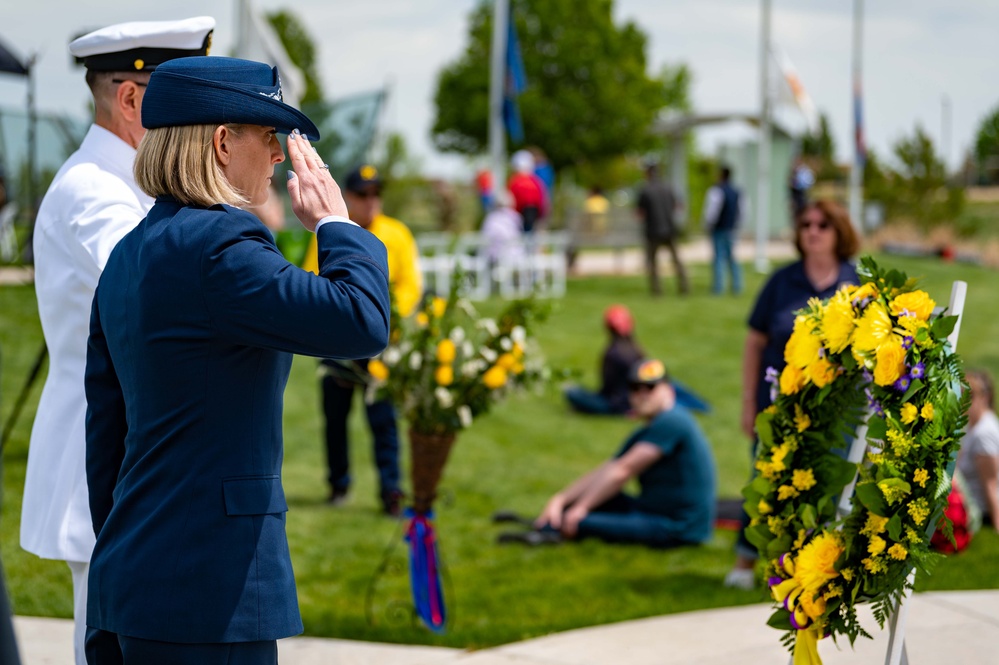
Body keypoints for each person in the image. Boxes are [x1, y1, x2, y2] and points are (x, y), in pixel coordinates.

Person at [83, 56, 390, 664]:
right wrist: (335, 222)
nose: (279, 156)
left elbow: (105, 442)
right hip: (209, 594)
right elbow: (360, 319)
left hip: (132, 579)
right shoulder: (221, 245)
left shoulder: (130, 253)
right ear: (224, 142)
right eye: (268, 137)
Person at [19, 17, 215, 665]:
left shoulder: (126, 185)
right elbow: (159, 295)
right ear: (132, 98)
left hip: (137, 454)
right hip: (110, 457)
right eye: (182, 93)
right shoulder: (93, 192)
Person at [725, 199, 860, 590]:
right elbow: (754, 342)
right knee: (764, 484)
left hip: (835, 412)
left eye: (822, 225)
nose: (813, 231)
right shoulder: (781, 282)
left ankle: (814, 570)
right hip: (779, 406)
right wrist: (749, 401)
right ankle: (743, 564)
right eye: (806, 225)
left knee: (829, 490)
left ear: (839, 233)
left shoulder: (855, 286)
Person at [302, 164, 422, 515]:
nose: (371, 201)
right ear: (349, 197)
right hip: (339, 340)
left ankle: (391, 491)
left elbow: (410, 285)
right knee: (336, 418)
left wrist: (384, 315)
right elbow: (313, 277)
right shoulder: (331, 231)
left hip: (381, 343)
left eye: (376, 193)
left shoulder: (396, 233)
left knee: (384, 420)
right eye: (363, 194)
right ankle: (338, 484)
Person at [499, 359, 716, 548]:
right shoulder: (652, 427)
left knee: (581, 520)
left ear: (668, 390)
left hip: (677, 526)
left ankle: (549, 532)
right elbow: (610, 468)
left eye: (650, 388)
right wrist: (562, 499)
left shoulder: (673, 421)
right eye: (635, 388)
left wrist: (580, 510)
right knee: (593, 499)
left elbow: (623, 471)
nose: (642, 395)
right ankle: (547, 522)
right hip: (650, 509)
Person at [564, 305, 644, 416]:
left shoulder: (612, 354)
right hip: (636, 403)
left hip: (615, 406)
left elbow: (607, 388)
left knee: (572, 391)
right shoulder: (638, 350)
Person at [636, 162, 688, 296]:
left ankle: (657, 291)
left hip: (653, 231)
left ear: (647, 173)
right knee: (677, 261)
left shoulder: (645, 190)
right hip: (670, 229)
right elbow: (678, 206)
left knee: (653, 263)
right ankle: (684, 287)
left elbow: (640, 213)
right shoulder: (668, 187)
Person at [957, 369, 999, 527]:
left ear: (985, 397)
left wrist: (996, 523)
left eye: (971, 395)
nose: (965, 399)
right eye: (962, 393)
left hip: (977, 508)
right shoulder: (972, 423)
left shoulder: (984, 434)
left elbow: (991, 483)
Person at [702, 165, 743, 295]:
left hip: (719, 228)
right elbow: (743, 211)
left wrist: (708, 225)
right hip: (731, 228)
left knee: (719, 258)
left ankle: (719, 288)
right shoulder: (738, 191)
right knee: (732, 257)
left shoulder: (716, 191)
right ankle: (737, 286)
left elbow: (712, 211)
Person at [508, 149, 549, 233]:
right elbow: (542, 200)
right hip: (533, 216)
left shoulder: (515, 181)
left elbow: (510, 201)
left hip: (519, 217)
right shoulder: (536, 181)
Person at [481, 189, 525, 265]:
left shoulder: (491, 218)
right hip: (516, 257)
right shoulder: (516, 217)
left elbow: (484, 237)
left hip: (496, 258)